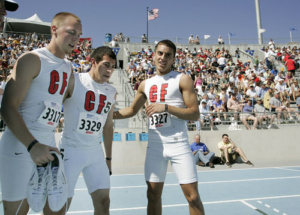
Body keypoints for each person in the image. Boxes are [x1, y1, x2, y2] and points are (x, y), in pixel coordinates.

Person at [0, 12, 82, 214]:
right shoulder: (32, 59)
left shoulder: (68, 67)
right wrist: (32, 145)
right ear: (54, 29)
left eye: (79, 35)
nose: (76, 39)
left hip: (48, 143)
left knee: (56, 209)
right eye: (71, 32)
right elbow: (7, 107)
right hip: (21, 145)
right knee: (17, 211)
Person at [113, 40, 205, 215]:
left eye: (168, 55)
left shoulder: (182, 79)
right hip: (155, 146)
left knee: (193, 197)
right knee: (153, 195)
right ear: (154, 55)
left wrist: (167, 107)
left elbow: (195, 114)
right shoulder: (145, 84)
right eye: (160, 53)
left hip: (178, 144)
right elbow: (131, 110)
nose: (163, 58)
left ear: (173, 59)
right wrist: (109, 115)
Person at [57, 46, 116, 214]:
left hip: (94, 151)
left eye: (112, 66)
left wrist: (109, 158)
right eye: (106, 64)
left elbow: (108, 126)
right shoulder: (74, 80)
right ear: (93, 62)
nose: (109, 70)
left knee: (104, 202)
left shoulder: (111, 92)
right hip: (70, 149)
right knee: (59, 206)